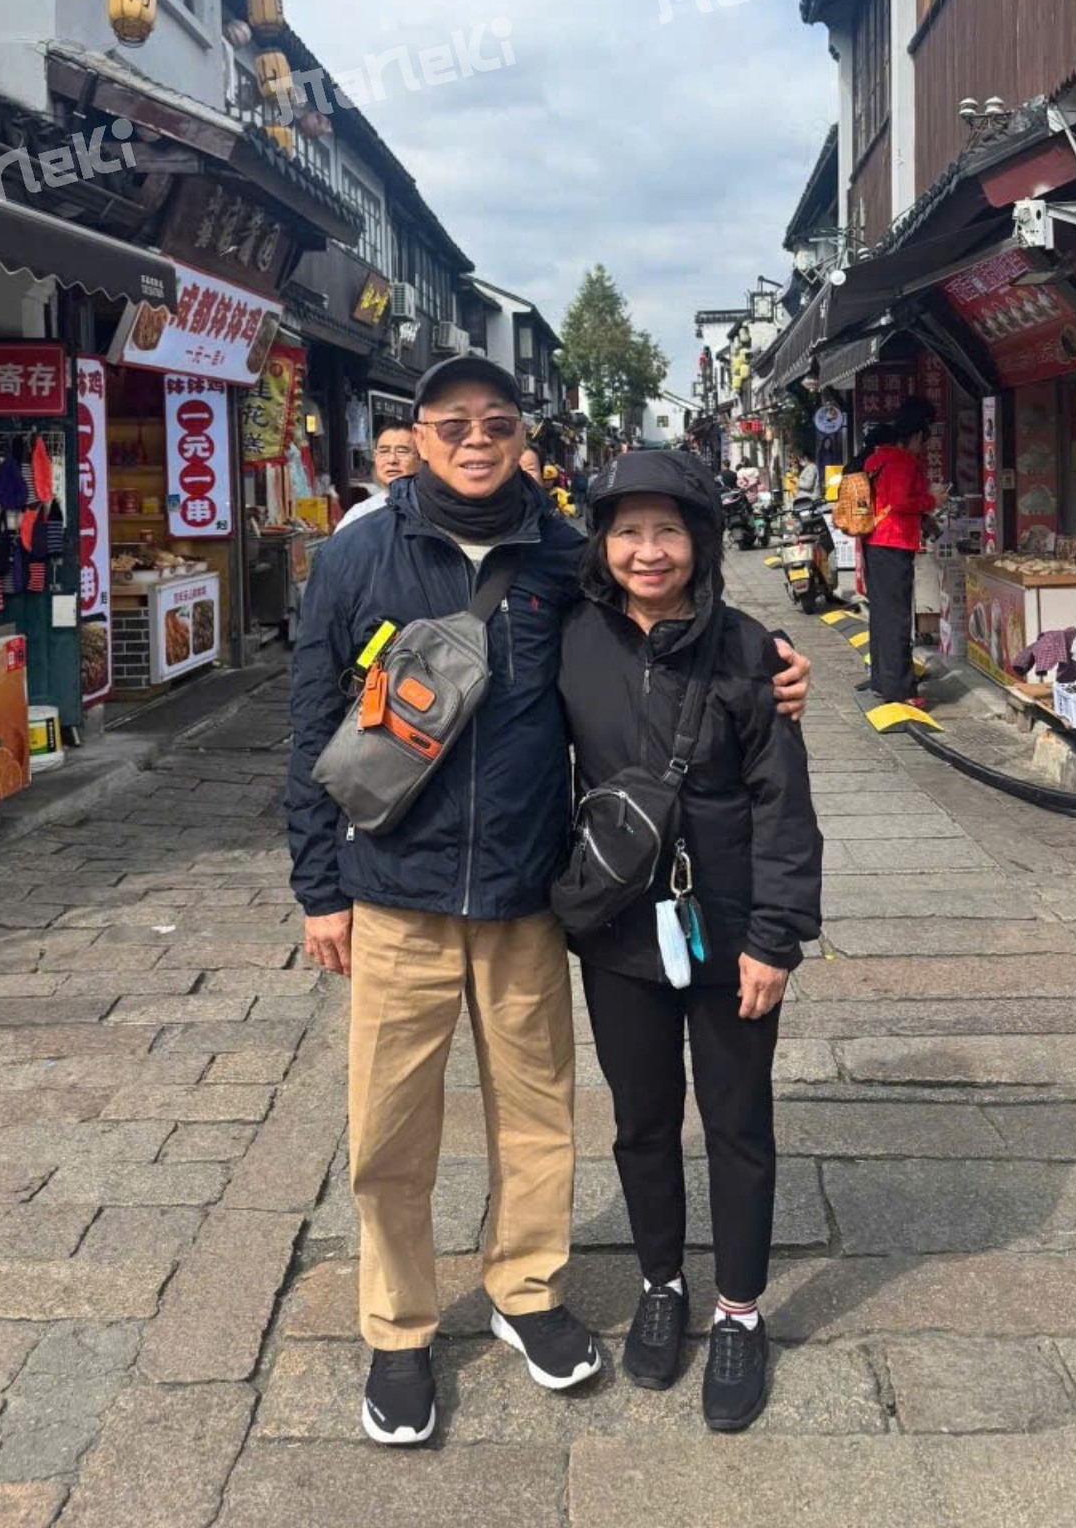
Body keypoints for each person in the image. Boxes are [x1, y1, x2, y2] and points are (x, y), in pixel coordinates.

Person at [286, 360, 812, 1449]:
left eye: (497, 421)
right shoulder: (356, 554)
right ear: (418, 435)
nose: (476, 440)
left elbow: (660, 623)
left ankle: (526, 1290)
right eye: (453, 424)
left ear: (524, 434)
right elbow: (306, 725)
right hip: (395, 891)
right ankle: (398, 1327)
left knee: (536, 1115)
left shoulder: (562, 552)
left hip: (529, 892)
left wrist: (771, 665)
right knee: (389, 1126)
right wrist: (317, 886)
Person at [560, 452, 822, 1432]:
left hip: (730, 927)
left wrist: (775, 938)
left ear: (700, 543)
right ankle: (661, 1284)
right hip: (619, 927)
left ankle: (740, 1309)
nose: (648, 551)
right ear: (602, 543)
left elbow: (783, 803)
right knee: (640, 1119)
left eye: (667, 530)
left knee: (737, 1120)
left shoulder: (750, 649)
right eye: (628, 531)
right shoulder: (570, 639)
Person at [862, 397, 940, 707]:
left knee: (881, 615)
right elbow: (900, 502)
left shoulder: (876, 458)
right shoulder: (903, 462)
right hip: (893, 543)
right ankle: (901, 689)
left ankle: (882, 680)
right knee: (897, 618)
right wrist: (932, 501)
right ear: (918, 435)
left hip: (873, 541)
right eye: (924, 439)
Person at [338, 417, 421, 532]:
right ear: (375, 457)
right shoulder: (359, 515)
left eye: (402, 452)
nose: (392, 460)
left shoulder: (434, 511)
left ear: (421, 457)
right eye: (384, 452)